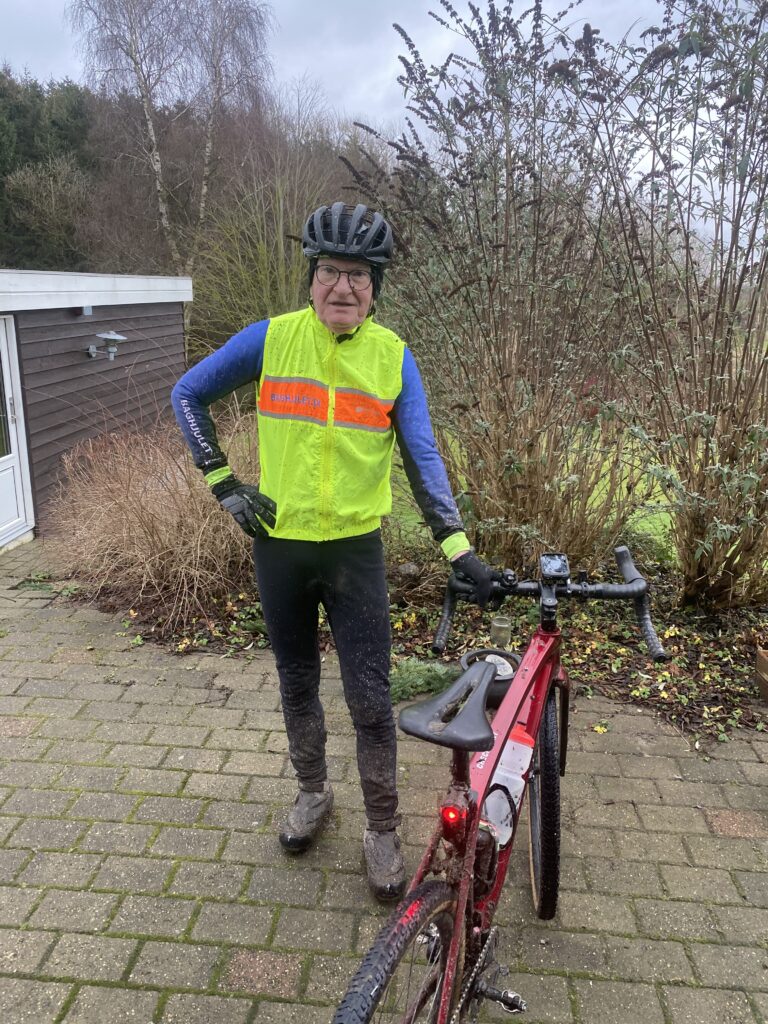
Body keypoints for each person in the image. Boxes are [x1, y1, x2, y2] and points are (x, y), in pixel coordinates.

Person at [171, 202, 494, 900]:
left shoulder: (393, 357)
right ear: (310, 279)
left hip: (354, 552)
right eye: (328, 273)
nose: (341, 287)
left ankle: (382, 829)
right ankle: (313, 795)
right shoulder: (271, 339)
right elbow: (188, 394)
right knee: (295, 683)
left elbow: (423, 457)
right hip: (280, 548)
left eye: (357, 274)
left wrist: (457, 547)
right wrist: (224, 483)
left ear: (374, 286)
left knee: (370, 698)